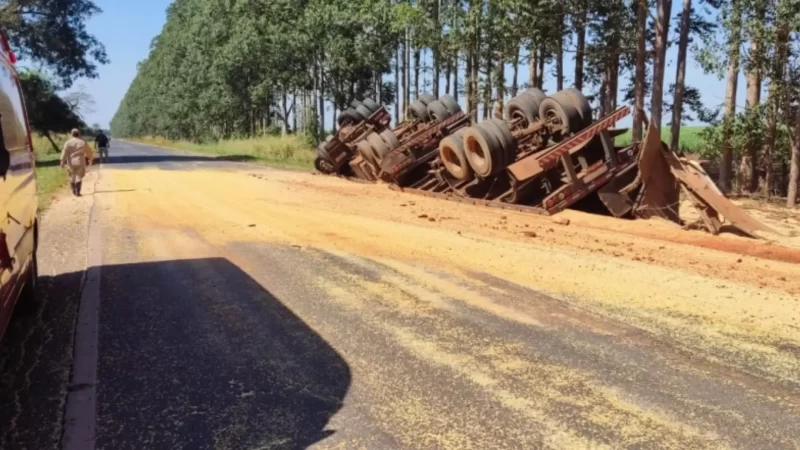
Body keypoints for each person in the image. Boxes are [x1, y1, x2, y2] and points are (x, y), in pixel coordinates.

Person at [60, 129, 94, 196]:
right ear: (79, 134)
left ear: (71, 134)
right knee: (79, 176)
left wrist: (62, 161)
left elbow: (64, 152)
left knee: (72, 176)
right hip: (80, 161)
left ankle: (73, 191)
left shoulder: (67, 142)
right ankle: (78, 192)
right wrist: (90, 159)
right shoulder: (82, 142)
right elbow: (88, 151)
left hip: (70, 162)